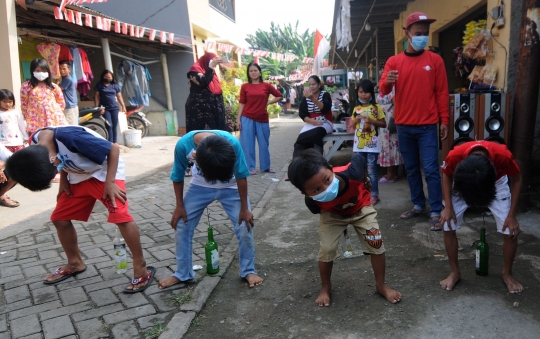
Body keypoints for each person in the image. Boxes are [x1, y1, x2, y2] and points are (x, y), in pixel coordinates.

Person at [5, 125, 154, 292]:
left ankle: (141, 266)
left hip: (104, 173)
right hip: (77, 175)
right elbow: (59, 163)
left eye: (54, 169)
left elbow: (113, 149)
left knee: (120, 215)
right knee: (59, 218)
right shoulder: (35, 143)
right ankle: (75, 263)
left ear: (52, 159)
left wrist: (110, 182)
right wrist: (63, 180)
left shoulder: (71, 137)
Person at [287, 150, 401, 306]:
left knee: (376, 242)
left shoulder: (352, 173)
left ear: (332, 168)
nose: (325, 188)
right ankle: (326, 288)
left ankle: (381, 285)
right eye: (316, 190)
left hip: (361, 208)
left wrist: (364, 177)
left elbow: (357, 156)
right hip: (332, 215)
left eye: (327, 180)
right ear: (304, 193)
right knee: (326, 249)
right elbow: (319, 211)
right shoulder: (311, 201)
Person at [159, 130, 263, 289]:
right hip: (199, 187)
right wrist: (179, 205)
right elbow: (177, 176)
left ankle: (248, 270)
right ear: (195, 157)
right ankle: (182, 273)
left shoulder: (232, 143)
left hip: (231, 186)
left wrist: (244, 208)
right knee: (181, 225)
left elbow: (241, 175)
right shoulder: (183, 146)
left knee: (244, 225)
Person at [379, 12, 449, 230]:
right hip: (403, 126)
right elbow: (383, 90)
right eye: (418, 33)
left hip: (428, 125)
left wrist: (444, 120)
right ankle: (418, 204)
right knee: (410, 169)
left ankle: (436, 210)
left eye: (425, 34)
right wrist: (388, 82)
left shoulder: (435, 60)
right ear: (407, 33)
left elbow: (442, 93)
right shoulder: (394, 61)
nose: (423, 37)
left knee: (430, 169)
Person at [439, 141, 523, 293]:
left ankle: (507, 273)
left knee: (511, 230)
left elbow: (516, 180)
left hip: (495, 181)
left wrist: (512, 215)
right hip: (465, 181)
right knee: (447, 224)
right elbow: (446, 174)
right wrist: (448, 207)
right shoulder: (454, 156)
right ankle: (455, 272)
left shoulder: (503, 156)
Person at [237, 62, 282, 175]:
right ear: (248, 73)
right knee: (247, 144)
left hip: (262, 118)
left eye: (255, 70)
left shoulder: (266, 86)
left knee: (264, 144)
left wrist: (268, 102)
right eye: (251, 71)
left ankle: (266, 167)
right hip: (247, 118)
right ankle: (250, 167)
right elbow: (242, 104)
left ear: (260, 72)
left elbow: (279, 95)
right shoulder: (245, 86)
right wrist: (238, 119)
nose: (253, 72)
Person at [350, 80, 386, 205]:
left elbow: (383, 123)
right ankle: (362, 194)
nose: (363, 95)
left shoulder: (376, 108)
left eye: (366, 92)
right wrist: (356, 121)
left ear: (371, 93)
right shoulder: (356, 109)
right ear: (357, 93)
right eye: (361, 92)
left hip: (372, 146)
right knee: (360, 170)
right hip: (359, 145)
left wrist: (371, 121)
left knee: (371, 171)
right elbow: (352, 126)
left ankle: (374, 195)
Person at [21, 58, 66, 134]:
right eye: (38, 71)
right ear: (32, 71)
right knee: (37, 141)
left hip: (54, 120)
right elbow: (24, 104)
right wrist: (26, 118)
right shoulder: (26, 86)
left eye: (44, 71)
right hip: (35, 120)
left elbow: (61, 103)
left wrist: (53, 113)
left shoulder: (54, 87)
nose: (41, 73)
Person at [185, 52, 227, 132]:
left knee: (217, 135)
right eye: (212, 61)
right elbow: (204, 81)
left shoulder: (212, 73)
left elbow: (217, 91)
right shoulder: (194, 71)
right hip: (199, 111)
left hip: (214, 110)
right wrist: (211, 67)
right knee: (202, 136)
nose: (214, 64)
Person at [0, 89, 28, 207]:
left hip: (17, 144)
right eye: (5, 101)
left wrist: (26, 139)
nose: (8, 104)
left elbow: (22, 127)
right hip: (3, 145)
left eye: (10, 101)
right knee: (3, 170)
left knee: (18, 172)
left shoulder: (16, 113)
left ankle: (2, 193)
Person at [292, 75, 333, 158]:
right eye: (310, 84)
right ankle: (297, 165)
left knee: (316, 133)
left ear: (319, 85)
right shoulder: (306, 98)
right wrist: (312, 121)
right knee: (299, 142)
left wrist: (313, 99)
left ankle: (318, 161)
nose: (311, 87)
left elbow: (325, 109)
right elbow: (303, 114)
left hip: (325, 122)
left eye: (313, 84)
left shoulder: (325, 95)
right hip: (311, 122)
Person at [376, 88, 403, 183]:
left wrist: (393, 119)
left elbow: (397, 104)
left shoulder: (392, 90)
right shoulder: (383, 89)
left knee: (389, 146)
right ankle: (393, 173)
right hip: (384, 120)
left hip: (389, 120)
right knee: (390, 145)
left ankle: (390, 175)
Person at [94, 70, 126, 143]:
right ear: (102, 77)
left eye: (109, 77)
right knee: (109, 125)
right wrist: (96, 107)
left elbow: (119, 96)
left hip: (114, 108)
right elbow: (96, 96)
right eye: (105, 77)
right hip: (105, 108)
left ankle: (115, 142)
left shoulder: (115, 86)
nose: (107, 78)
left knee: (115, 125)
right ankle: (110, 142)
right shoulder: (99, 85)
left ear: (112, 77)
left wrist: (123, 106)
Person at [58, 61, 79, 126]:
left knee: (71, 127)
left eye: (64, 69)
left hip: (70, 108)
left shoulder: (68, 79)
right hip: (70, 107)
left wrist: (57, 80)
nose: (62, 71)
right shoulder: (65, 79)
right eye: (60, 69)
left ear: (69, 69)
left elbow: (57, 90)